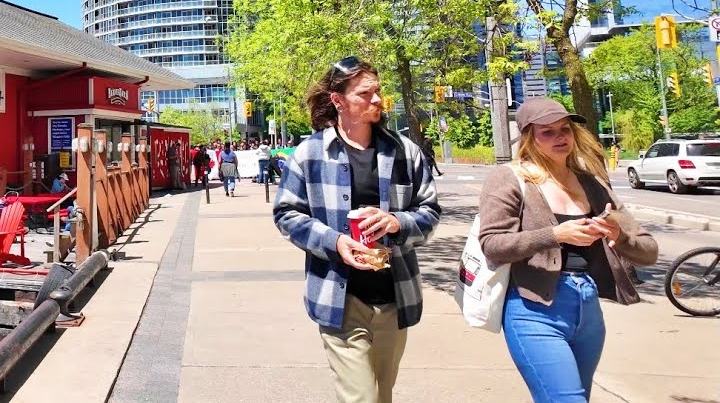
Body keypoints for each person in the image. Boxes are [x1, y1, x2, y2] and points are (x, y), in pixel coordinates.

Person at [273, 57, 441, 403]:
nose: (378, 100)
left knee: (381, 394)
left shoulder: (403, 151)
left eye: (378, 92)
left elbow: (430, 211)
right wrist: (334, 242)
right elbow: (286, 214)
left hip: (395, 295)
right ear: (338, 100)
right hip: (340, 297)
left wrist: (398, 222)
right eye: (366, 94)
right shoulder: (309, 154)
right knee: (360, 398)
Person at [478, 98, 657, 402]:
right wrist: (554, 234)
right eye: (547, 132)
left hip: (587, 309)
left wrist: (619, 236)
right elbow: (492, 244)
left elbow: (649, 250)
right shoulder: (510, 178)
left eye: (565, 129)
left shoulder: (592, 182)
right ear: (529, 138)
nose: (561, 137)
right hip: (533, 309)